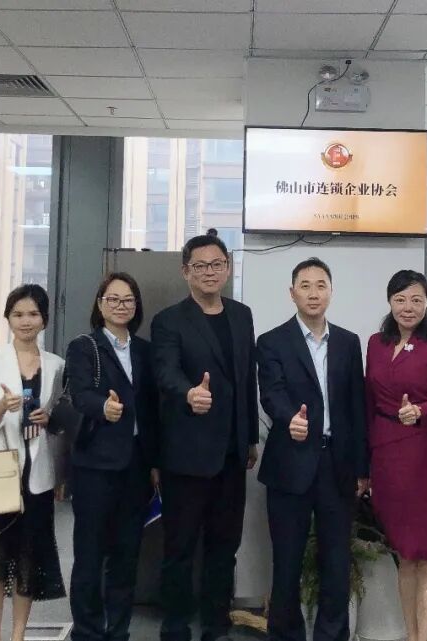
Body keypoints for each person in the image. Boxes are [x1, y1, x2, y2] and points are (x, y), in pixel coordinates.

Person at [151, 231, 259, 641]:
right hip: (187, 453)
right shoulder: (169, 320)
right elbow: (165, 372)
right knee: (180, 548)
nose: (210, 272)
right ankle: (176, 625)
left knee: (224, 546)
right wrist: (188, 393)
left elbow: (246, 380)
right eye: (201, 266)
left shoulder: (242, 315)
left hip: (232, 452)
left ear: (227, 269)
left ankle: (216, 624)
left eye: (217, 264)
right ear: (186, 272)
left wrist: (250, 436)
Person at [256, 258, 368, 641]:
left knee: (336, 562)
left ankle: (332, 635)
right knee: (287, 562)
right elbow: (271, 392)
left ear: (331, 292)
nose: (314, 293)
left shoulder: (348, 343)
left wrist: (362, 468)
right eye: (305, 285)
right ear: (292, 293)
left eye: (321, 285)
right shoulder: (272, 341)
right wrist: (290, 418)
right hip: (290, 464)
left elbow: (356, 408)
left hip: (337, 465)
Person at [0, 284, 66, 641]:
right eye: (18, 314)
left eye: (33, 314)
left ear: (44, 319)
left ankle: (18, 634)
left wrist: (49, 418)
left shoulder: (56, 365)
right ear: (7, 318)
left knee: (27, 559)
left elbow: (58, 420)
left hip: (37, 472)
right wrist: (3, 407)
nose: (25, 321)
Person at [365, 270, 427, 641]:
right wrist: (365, 460)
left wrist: (420, 410)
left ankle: (426, 638)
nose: (408, 307)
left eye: (416, 300)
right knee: (403, 553)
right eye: (401, 299)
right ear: (390, 302)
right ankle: (410, 634)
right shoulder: (375, 343)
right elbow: (368, 400)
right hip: (386, 454)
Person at [68, 272, 160, 641]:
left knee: (126, 556)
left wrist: (155, 462)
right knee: (90, 556)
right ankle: (87, 632)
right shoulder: (84, 347)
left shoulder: (145, 351)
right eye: (113, 299)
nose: (121, 306)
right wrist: (102, 407)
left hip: (135, 467)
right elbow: (79, 394)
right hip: (95, 466)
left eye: (128, 300)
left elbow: (152, 411)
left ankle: (118, 631)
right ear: (100, 304)